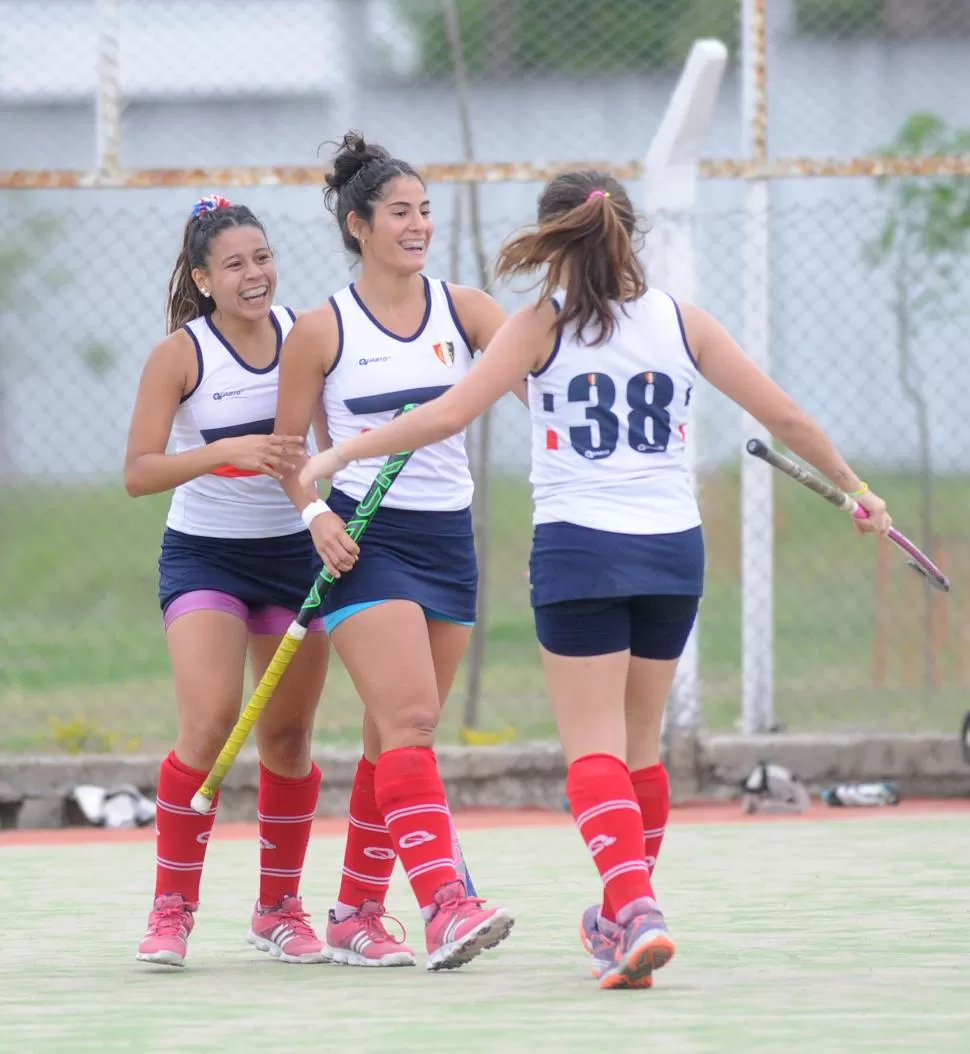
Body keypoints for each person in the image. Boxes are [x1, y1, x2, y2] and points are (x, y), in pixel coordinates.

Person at [298, 169, 894, 990]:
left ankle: (633, 905)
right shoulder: (683, 321)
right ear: (627, 233)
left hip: (581, 549)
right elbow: (785, 414)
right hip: (672, 552)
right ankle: (623, 921)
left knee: (593, 750)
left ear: (554, 240)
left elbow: (442, 416)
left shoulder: (540, 325)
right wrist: (858, 491)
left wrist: (338, 453)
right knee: (640, 747)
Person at [274, 131, 515, 972]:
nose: (418, 226)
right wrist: (314, 516)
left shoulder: (469, 310)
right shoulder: (320, 330)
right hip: (363, 543)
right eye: (400, 213)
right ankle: (448, 901)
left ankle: (355, 912)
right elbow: (286, 453)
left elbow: (543, 369)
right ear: (358, 225)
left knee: (394, 740)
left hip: (449, 539)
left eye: (425, 212)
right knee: (411, 718)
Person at [124, 196, 338, 968]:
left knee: (287, 737)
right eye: (237, 264)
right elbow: (138, 473)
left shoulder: (307, 335)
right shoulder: (182, 353)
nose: (256, 275)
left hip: (292, 555)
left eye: (264, 257)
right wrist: (226, 453)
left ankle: (278, 907)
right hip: (205, 556)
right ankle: (172, 909)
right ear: (203, 278)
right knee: (212, 720)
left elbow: (326, 447)